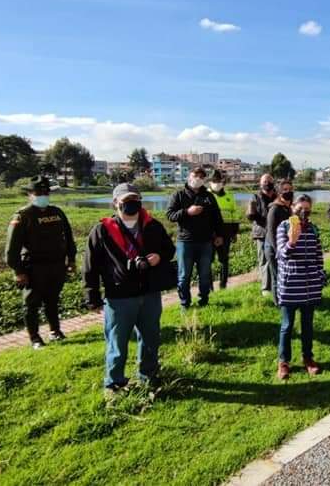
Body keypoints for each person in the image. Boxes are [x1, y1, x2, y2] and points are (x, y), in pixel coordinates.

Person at [83, 183, 175, 396]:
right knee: (117, 341)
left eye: (135, 200)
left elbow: (169, 249)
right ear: (115, 203)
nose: (131, 205)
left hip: (150, 292)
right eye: (126, 201)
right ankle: (114, 384)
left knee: (151, 338)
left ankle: (149, 377)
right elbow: (90, 266)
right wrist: (92, 297)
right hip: (119, 296)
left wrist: (159, 257)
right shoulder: (102, 231)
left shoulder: (152, 225)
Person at [4, 175, 77, 349]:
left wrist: (71, 259)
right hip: (33, 268)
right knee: (31, 304)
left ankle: (55, 331)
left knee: (52, 300)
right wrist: (18, 271)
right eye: (38, 192)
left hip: (56, 265)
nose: (42, 195)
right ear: (30, 194)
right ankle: (35, 338)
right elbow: (11, 248)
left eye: (45, 192)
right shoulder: (23, 216)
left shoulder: (57, 212)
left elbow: (68, 237)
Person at [275, 194, 326, 379]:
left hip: (310, 284)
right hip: (290, 284)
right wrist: (292, 241)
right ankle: (283, 362)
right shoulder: (284, 226)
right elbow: (281, 254)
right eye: (299, 208)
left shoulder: (313, 228)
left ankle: (308, 358)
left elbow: (318, 255)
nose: (303, 212)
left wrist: (321, 275)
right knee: (287, 325)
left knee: (308, 325)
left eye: (307, 209)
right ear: (292, 208)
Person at [166, 167, 224, 309]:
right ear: (189, 176)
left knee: (205, 274)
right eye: (195, 175)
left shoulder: (209, 197)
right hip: (185, 242)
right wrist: (187, 212)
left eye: (201, 176)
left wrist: (219, 235)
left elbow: (217, 217)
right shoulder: (178, 195)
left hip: (206, 242)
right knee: (184, 275)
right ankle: (185, 303)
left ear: (204, 179)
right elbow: (170, 215)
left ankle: (203, 300)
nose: (198, 178)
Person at [208, 169, 240, 290]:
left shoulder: (229, 196)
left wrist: (235, 232)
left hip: (226, 233)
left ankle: (223, 285)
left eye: (219, 180)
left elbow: (234, 214)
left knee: (224, 260)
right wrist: (214, 235)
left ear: (223, 182)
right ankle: (210, 287)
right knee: (208, 261)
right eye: (214, 180)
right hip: (209, 234)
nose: (217, 183)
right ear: (210, 182)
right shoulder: (205, 195)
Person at [247, 173, 278, 296]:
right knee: (264, 260)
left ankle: (277, 283)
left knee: (277, 258)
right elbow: (250, 215)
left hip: (276, 232)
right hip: (262, 232)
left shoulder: (277, 197)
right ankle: (266, 287)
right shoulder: (255, 197)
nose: (267, 183)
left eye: (269, 181)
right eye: (264, 181)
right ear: (260, 184)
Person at [265, 179, 295, 297]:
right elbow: (271, 232)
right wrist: (279, 251)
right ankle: (278, 302)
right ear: (279, 192)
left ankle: (287, 298)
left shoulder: (290, 208)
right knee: (277, 275)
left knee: (285, 275)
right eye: (285, 190)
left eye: (290, 189)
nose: (288, 192)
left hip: (286, 247)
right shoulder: (275, 209)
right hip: (274, 248)